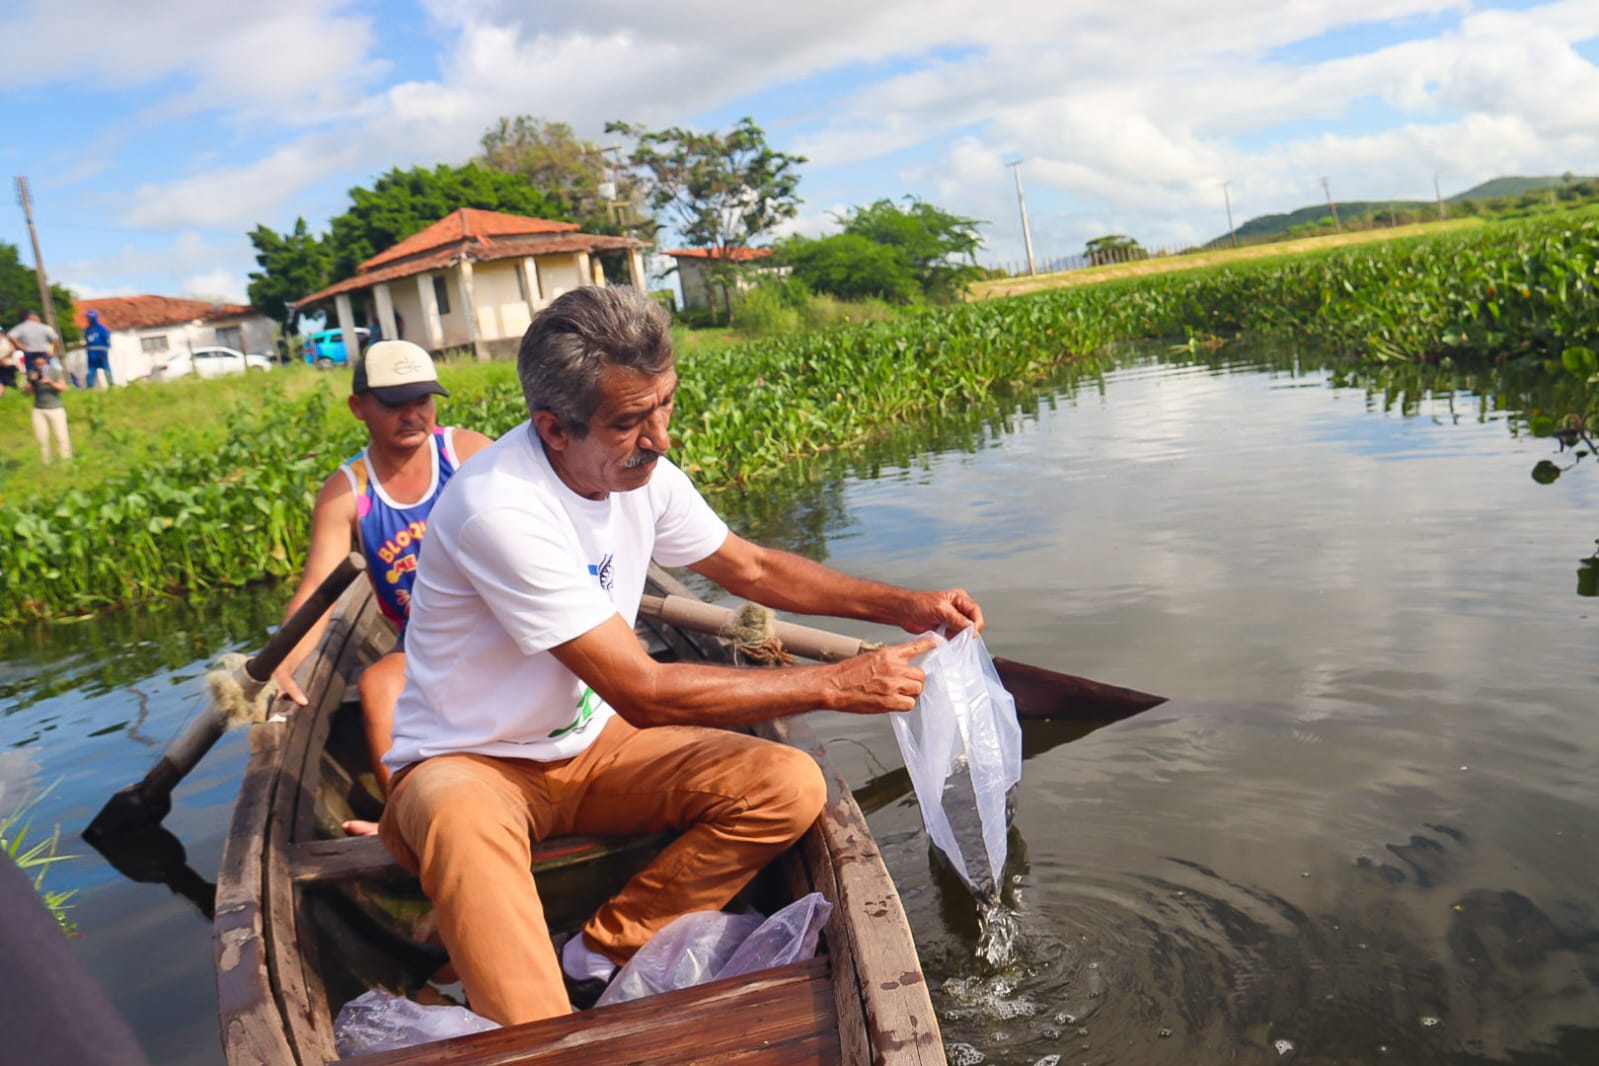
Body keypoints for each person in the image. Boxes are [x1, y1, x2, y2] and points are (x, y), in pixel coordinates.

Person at [377, 285, 985, 1026]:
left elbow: (753, 570)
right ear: (553, 429)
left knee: (787, 784)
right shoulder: (500, 508)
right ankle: (546, 1037)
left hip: (588, 743)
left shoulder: (641, 475)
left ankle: (596, 953)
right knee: (458, 823)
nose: (660, 437)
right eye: (629, 421)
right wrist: (831, 683)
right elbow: (644, 691)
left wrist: (904, 605)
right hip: (467, 761)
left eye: (664, 404)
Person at [272, 340, 493, 805]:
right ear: (359, 407)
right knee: (375, 684)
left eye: (423, 401)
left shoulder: (468, 454)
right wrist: (283, 662)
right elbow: (321, 588)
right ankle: (407, 816)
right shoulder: (348, 492)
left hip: (501, 622)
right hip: (424, 640)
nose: (413, 415)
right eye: (395, 404)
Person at [24, 353, 71, 463]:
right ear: (34, 363)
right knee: (42, 439)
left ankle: (66, 462)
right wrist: (32, 383)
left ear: (46, 362)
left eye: (42, 363)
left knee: (62, 437)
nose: (39, 366)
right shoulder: (32, 373)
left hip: (55, 408)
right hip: (39, 409)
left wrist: (50, 382)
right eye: (37, 364)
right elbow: (26, 393)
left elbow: (63, 388)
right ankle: (46, 462)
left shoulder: (54, 371)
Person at [7, 311, 58, 398]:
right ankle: (46, 388)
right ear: (33, 317)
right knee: (45, 371)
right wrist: (53, 351)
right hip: (43, 352)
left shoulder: (22, 327)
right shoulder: (44, 327)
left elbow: (10, 336)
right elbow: (55, 339)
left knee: (31, 372)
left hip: (29, 352)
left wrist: (20, 346)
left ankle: (32, 390)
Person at [83, 309, 113, 388]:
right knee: (91, 370)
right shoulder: (87, 330)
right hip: (91, 355)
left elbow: (107, 338)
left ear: (93, 318)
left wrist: (105, 349)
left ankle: (111, 385)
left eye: (88, 317)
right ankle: (90, 387)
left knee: (106, 368)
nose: (87, 319)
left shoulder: (101, 328)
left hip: (101, 353)